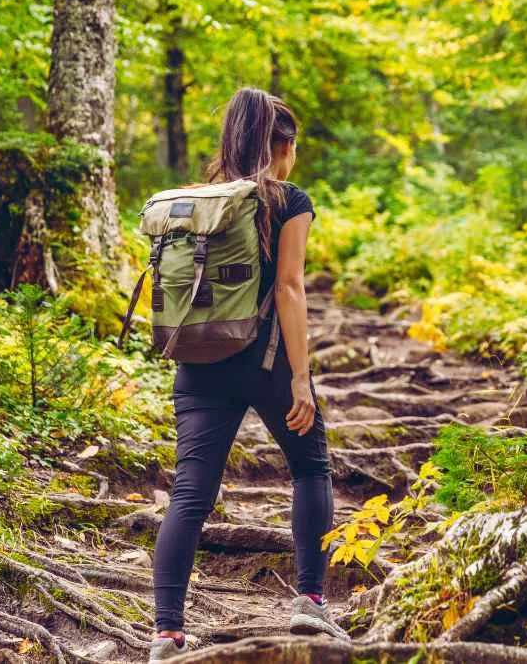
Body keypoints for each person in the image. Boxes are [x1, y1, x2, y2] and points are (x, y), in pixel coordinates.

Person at [149, 88, 347, 662]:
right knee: (311, 467)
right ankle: (310, 601)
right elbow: (289, 287)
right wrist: (300, 377)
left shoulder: (196, 201)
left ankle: (166, 634)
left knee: (190, 493)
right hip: (266, 361)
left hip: (198, 361)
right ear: (283, 146)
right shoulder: (288, 200)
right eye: (293, 147)